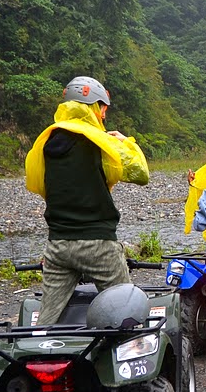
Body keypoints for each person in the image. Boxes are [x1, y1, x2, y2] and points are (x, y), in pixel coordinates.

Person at [25, 76, 149, 324]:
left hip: (58, 244)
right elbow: (140, 174)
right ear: (97, 107)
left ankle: (36, 351)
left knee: (47, 318)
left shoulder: (47, 140)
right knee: (126, 315)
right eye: (103, 109)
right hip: (99, 244)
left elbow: (38, 184)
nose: (104, 115)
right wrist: (126, 143)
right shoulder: (102, 142)